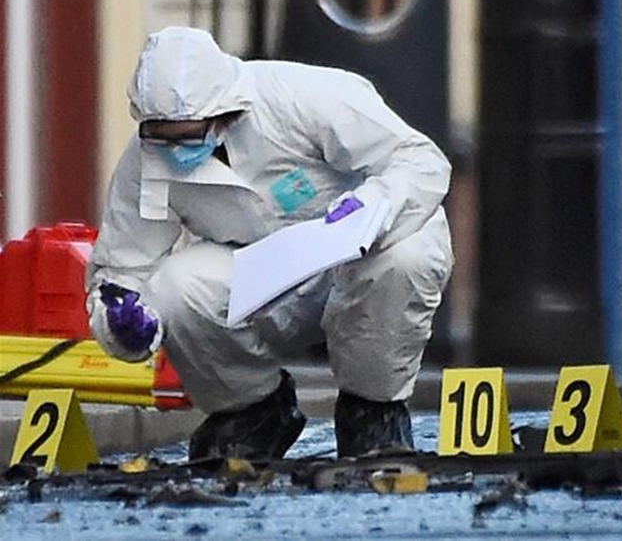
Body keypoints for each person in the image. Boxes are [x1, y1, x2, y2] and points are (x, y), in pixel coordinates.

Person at [85, 26, 454, 459]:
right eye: (161, 136)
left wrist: (373, 205)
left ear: (226, 112)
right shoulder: (147, 162)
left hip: (363, 258)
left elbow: (421, 161)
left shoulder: (304, 96)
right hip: (265, 279)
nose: (175, 149)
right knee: (173, 287)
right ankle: (252, 411)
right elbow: (122, 270)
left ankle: (372, 411)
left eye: (187, 135)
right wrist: (121, 325)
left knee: (404, 258)